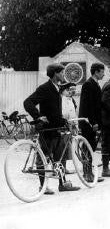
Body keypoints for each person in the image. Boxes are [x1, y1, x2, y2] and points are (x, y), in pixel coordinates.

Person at [24, 64, 80, 193]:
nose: (63, 75)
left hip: (57, 128)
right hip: (47, 129)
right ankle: (42, 187)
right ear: (55, 74)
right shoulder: (45, 88)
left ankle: (62, 184)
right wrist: (38, 117)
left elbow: (55, 111)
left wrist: (64, 121)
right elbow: (28, 102)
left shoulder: (57, 88)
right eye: (61, 72)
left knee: (60, 158)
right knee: (43, 158)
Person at [79, 62, 105, 181]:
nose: (104, 74)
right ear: (96, 72)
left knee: (91, 148)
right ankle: (87, 174)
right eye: (102, 71)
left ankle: (89, 173)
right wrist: (93, 122)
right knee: (87, 148)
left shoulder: (95, 84)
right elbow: (87, 106)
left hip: (93, 122)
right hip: (88, 123)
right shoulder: (88, 84)